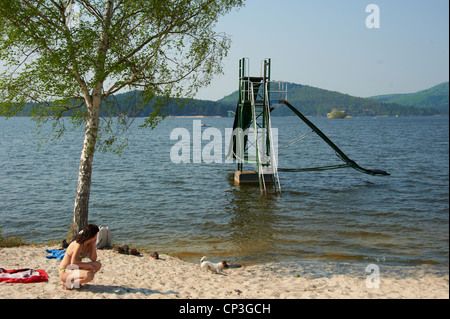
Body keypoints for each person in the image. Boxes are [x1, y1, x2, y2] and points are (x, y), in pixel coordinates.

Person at [59, 224, 102, 289]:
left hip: (75, 268)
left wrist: (93, 245)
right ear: (92, 235)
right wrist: (89, 266)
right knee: (90, 275)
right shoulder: (78, 244)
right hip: (65, 271)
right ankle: (69, 284)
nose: (97, 236)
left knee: (98, 264)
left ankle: (77, 282)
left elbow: (93, 259)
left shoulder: (88, 243)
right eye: (96, 235)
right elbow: (73, 263)